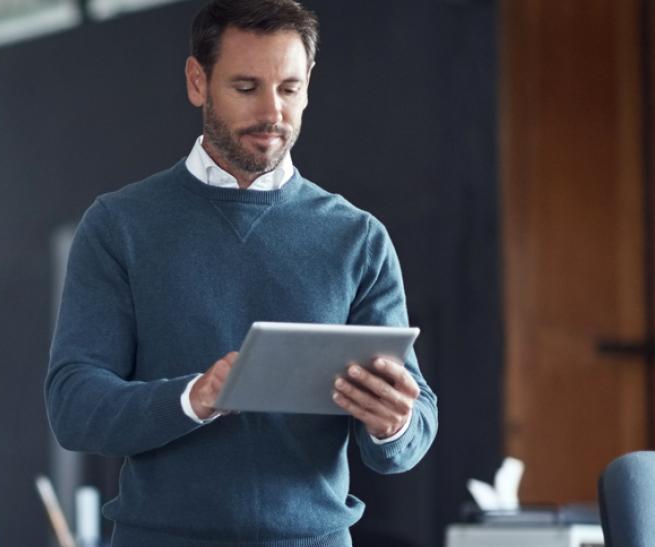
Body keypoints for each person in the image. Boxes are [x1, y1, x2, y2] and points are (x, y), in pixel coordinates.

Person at [44, 1, 439, 545]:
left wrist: (393, 421)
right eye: (247, 87)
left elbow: (415, 425)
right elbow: (74, 406)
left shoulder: (357, 237)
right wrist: (194, 399)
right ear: (197, 81)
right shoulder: (119, 226)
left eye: (290, 88)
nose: (273, 112)